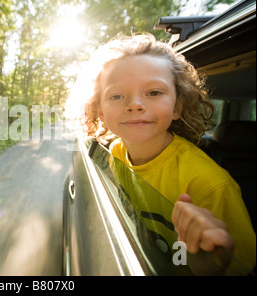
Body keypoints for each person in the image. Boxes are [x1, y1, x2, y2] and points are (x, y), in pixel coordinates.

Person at [81, 33, 255, 274]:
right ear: (99, 111)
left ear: (177, 107)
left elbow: (241, 267)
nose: (134, 105)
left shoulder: (210, 185)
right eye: (117, 95)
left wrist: (210, 268)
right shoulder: (117, 152)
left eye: (153, 92)